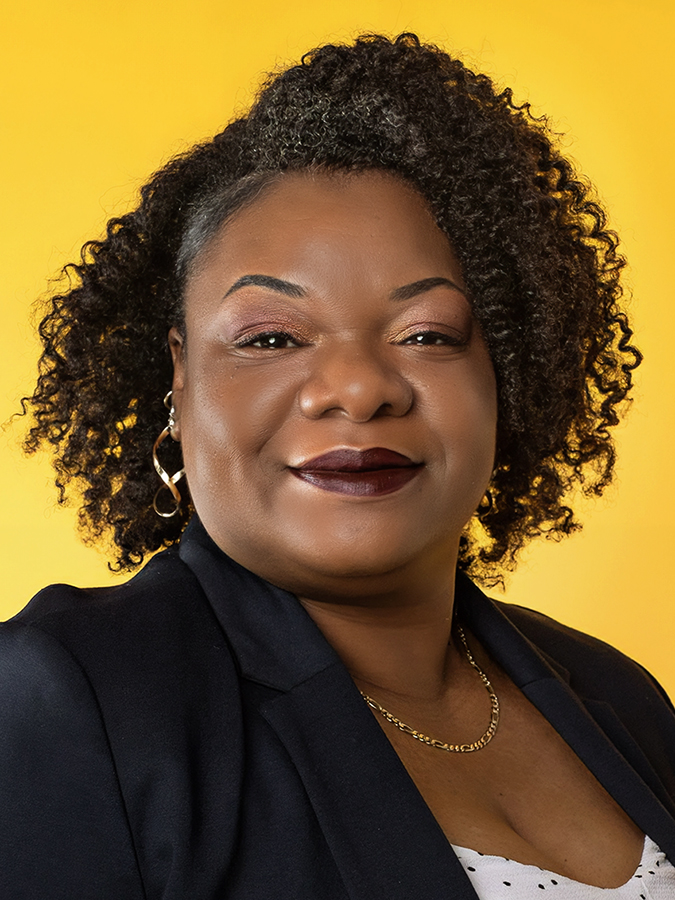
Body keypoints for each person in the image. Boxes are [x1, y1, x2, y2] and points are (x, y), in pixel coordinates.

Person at [1, 32, 674, 900]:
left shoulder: (619, 698)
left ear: (505, 374)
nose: (358, 389)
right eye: (270, 338)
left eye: (425, 334)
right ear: (179, 377)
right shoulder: (63, 698)